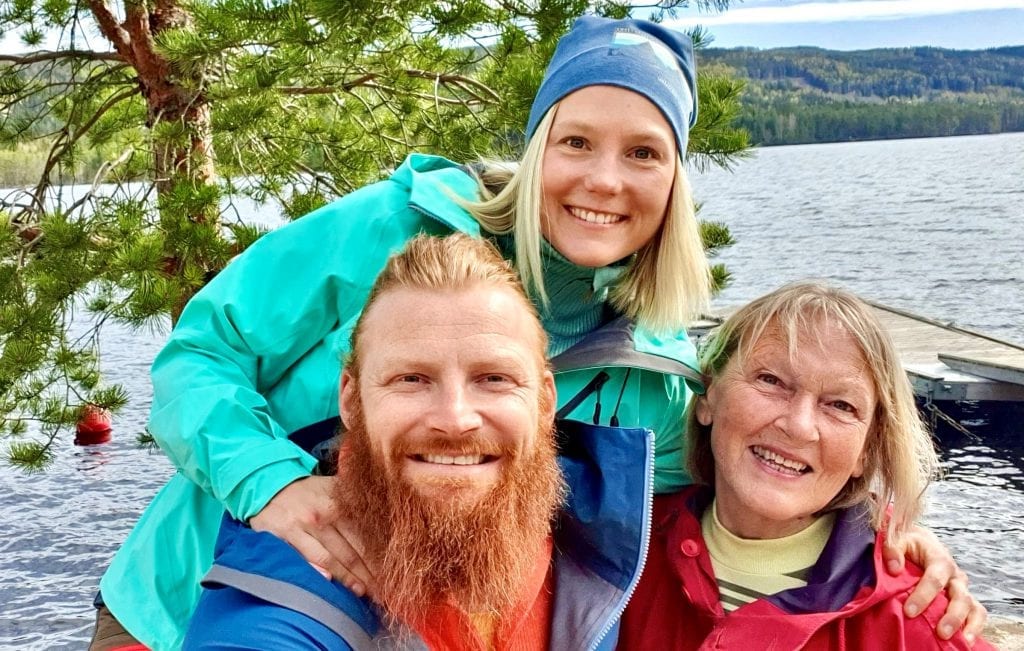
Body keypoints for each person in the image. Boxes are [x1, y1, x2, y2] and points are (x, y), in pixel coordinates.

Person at [89, 15, 980, 651]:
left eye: (643, 153)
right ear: (536, 145)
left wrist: (883, 529)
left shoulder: (655, 374)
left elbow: (749, 470)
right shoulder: (389, 232)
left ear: (674, 184)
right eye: (577, 140)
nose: (604, 179)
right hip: (191, 596)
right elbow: (197, 356)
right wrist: (270, 484)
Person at [182, 233, 655, 649]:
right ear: (352, 399)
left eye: (493, 378)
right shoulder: (286, 600)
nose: (455, 419)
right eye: (411, 379)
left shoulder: (611, 528)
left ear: (545, 401)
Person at [618, 282, 994, 650]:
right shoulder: (619, 552)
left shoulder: (918, 621)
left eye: (841, 406)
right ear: (708, 396)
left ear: (867, 450)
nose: (798, 427)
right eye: (771, 380)